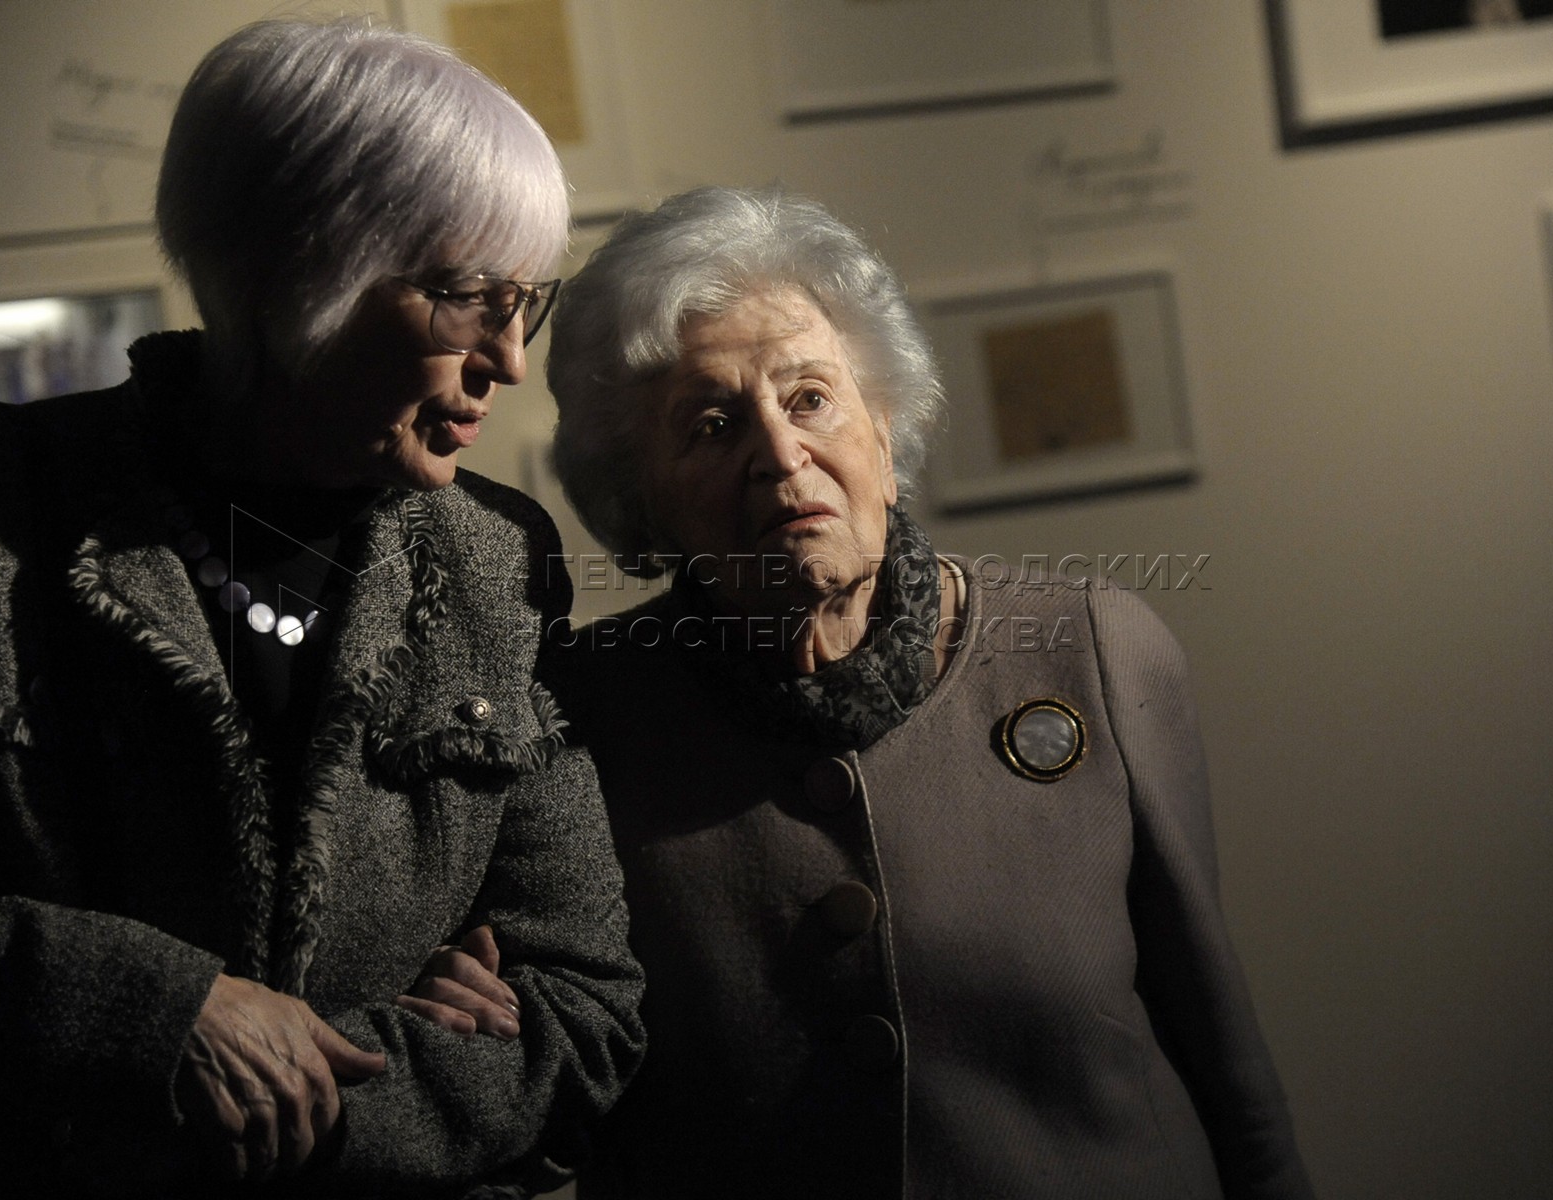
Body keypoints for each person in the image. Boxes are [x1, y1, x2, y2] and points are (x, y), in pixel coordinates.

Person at [0, 19, 642, 1198]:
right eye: (468, 299)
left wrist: (323, 1095)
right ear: (299, 274)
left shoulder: (496, 558)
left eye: (527, 303)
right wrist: (159, 1017)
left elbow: (582, 1006)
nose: (510, 360)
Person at [541, 186, 1312, 1199]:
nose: (780, 455)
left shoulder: (1095, 651)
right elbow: (551, 1099)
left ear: (885, 429)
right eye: (713, 425)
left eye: (809, 399)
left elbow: (1223, 1057)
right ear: (639, 500)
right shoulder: (577, 720)